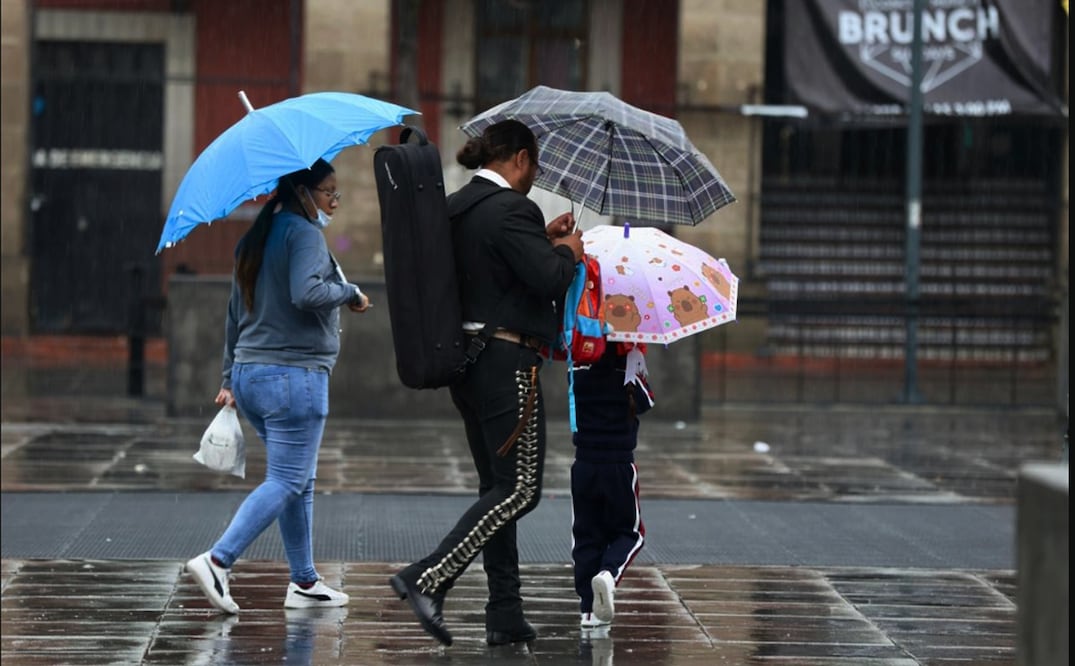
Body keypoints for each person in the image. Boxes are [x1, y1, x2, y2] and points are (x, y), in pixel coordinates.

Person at [389, 119, 583, 647]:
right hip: (507, 364)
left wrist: (541, 242)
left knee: (495, 487)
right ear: (519, 159)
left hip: (467, 363)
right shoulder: (514, 209)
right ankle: (427, 578)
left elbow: (491, 269)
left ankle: (504, 610)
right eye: (534, 167)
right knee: (519, 489)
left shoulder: (458, 207)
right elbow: (552, 279)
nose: (533, 178)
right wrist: (568, 250)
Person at [185, 158, 370, 614]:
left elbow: (234, 313)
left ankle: (304, 581)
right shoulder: (304, 233)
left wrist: (230, 377)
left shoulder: (256, 237)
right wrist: (349, 293)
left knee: (297, 479)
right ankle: (217, 560)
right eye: (328, 191)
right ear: (303, 193)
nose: (333, 201)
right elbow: (307, 294)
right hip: (293, 378)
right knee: (288, 478)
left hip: (252, 375)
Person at [570, 341, 654, 630]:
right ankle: (609, 574)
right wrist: (636, 362)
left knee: (586, 536)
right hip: (618, 465)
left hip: (583, 466)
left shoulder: (577, 367)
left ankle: (588, 612)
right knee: (631, 534)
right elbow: (645, 403)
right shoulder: (628, 368)